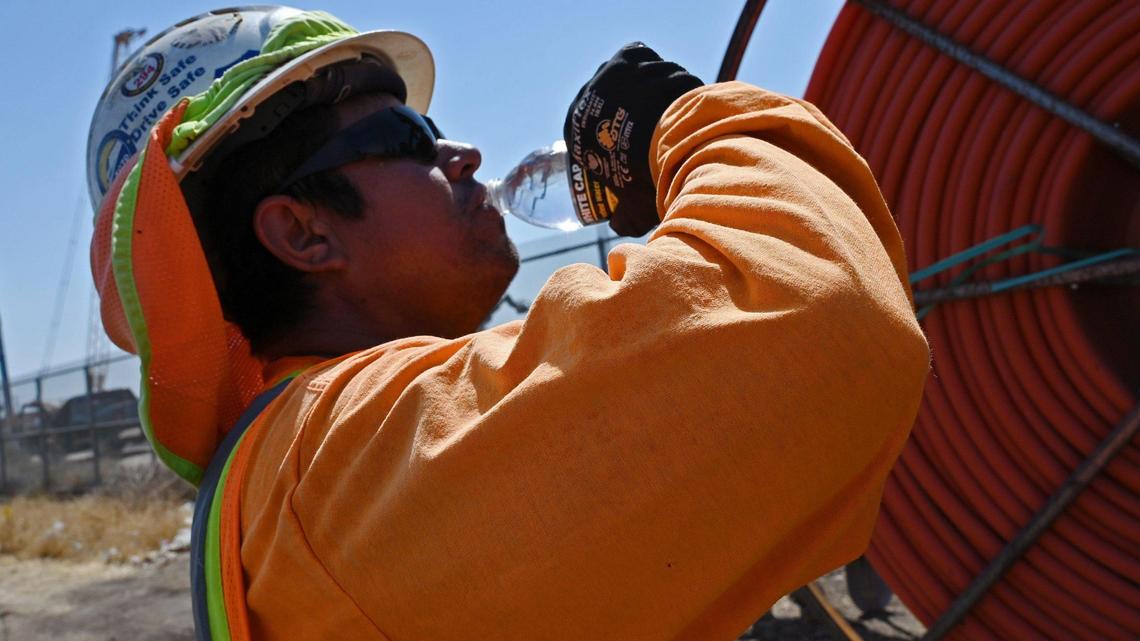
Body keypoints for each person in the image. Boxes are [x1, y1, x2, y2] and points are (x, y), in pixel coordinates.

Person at [88, 7, 929, 641]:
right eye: (408, 134)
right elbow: (813, 322)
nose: (465, 155)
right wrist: (684, 123)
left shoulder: (303, 469)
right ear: (301, 231)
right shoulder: (344, 457)